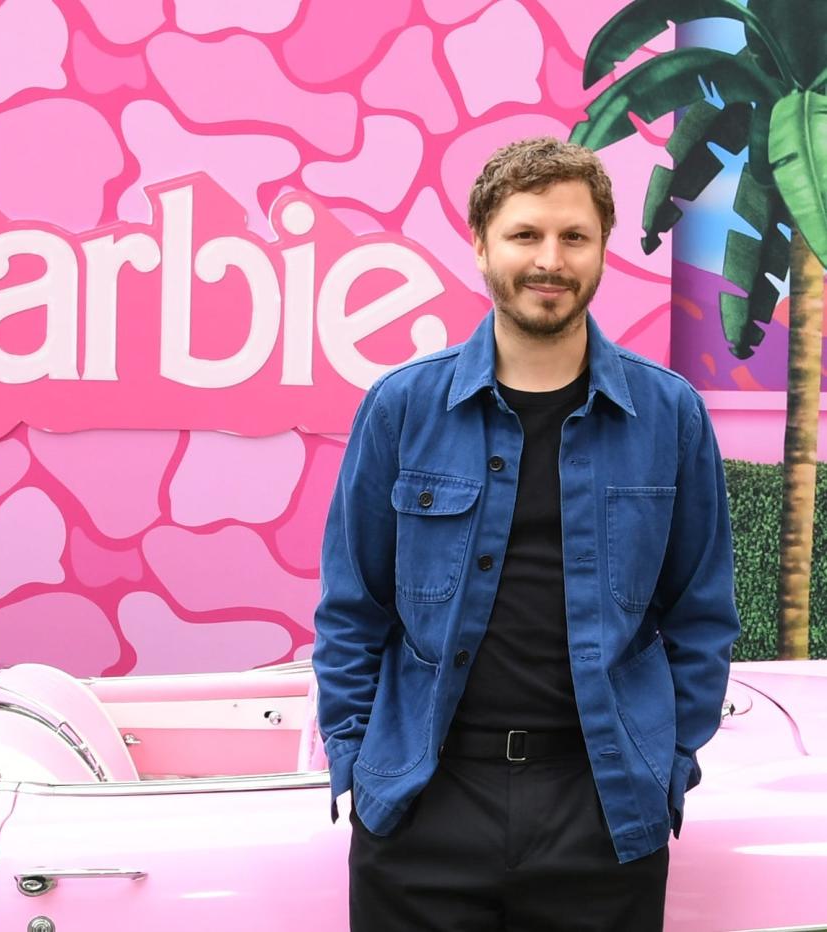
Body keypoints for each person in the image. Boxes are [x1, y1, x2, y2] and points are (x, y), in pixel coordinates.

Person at [312, 136, 741, 931]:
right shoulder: (402, 407)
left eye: (573, 237)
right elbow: (353, 607)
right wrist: (355, 760)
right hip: (425, 805)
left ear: (602, 251)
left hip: (603, 807)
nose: (551, 259)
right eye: (525, 235)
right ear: (480, 245)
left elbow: (701, 614)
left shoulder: (669, 414)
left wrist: (666, 766)